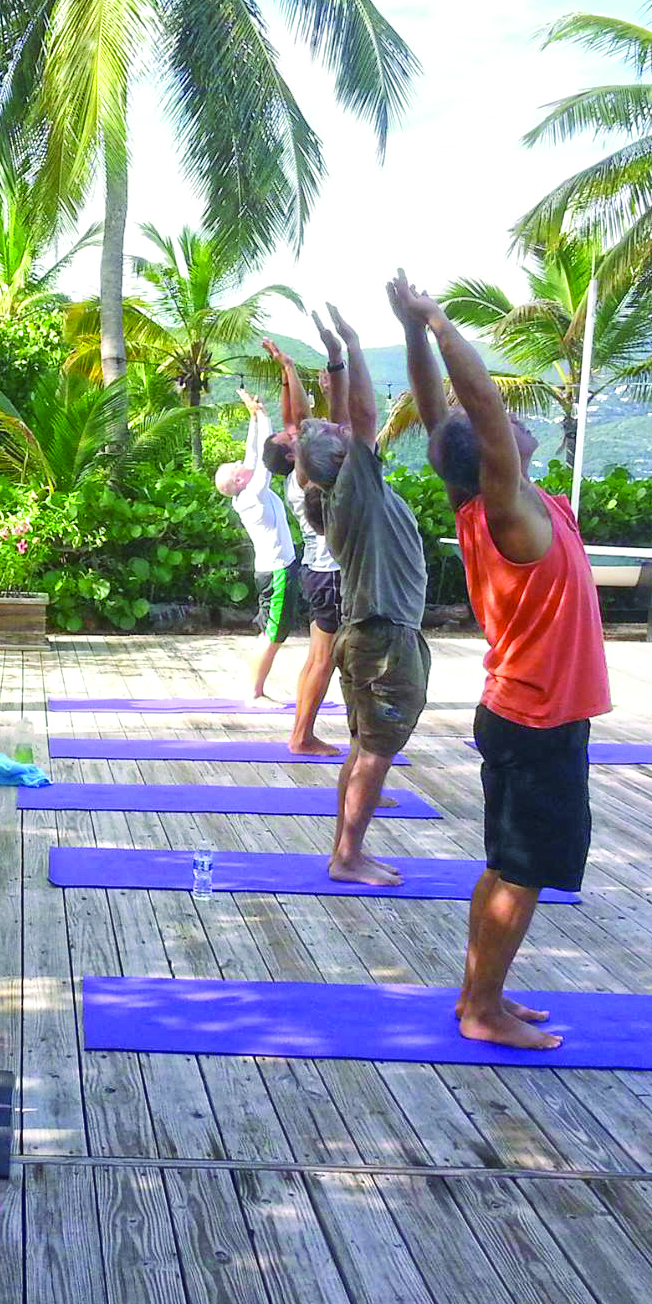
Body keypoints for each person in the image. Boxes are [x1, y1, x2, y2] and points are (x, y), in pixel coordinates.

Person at [393, 269, 610, 1051]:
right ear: (489, 460)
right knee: (522, 872)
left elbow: (437, 415)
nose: (509, 419)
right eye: (498, 427)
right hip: (538, 718)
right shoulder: (508, 511)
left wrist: (414, 336)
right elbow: (474, 409)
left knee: (505, 866)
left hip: (525, 711)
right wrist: (439, 321)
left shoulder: (491, 504)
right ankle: (483, 1010)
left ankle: (479, 997)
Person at [291, 305, 429, 887]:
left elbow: (344, 421)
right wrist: (351, 339)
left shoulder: (342, 492)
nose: (345, 427)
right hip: (384, 639)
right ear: (344, 462)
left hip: (372, 634)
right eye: (341, 436)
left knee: (362, 744)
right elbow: (364, 416)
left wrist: (336, 362)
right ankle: (347, 856)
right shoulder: (356, 491)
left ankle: (346, 851)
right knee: (375, 751)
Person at [265, 337, 343, 758]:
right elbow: (299, 420)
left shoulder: (298, 473)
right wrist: (290, 369)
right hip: (329, 575)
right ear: (292, 454)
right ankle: (302, 735)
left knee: (319, 657)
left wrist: (286, 372)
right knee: (323, 659)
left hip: (320, 572)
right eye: (289, 438)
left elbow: (293, 420)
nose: (292, 433)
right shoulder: (302, 477)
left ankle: (302, 732)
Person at [215, 391, 302, 708]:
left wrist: (253, 415)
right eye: (236, 467)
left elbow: (252, 454)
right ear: (238, 481)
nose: (242, 462)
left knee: (271, 632)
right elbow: (263, 461)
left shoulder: (245, 490)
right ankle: (255, 692)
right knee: (274, 635)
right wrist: (263, 417)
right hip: (277, 572)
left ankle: (254, 688)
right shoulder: (252, 495)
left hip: (276, 569)